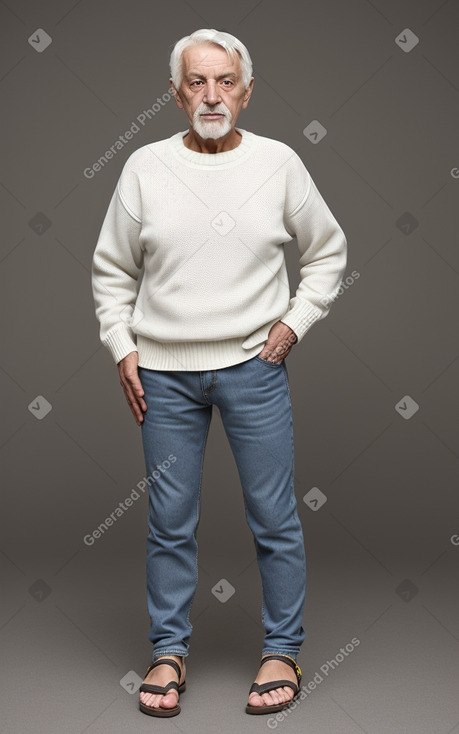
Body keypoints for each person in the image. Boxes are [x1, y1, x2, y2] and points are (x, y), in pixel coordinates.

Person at [91, 28, 347, 717]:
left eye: (225, 80)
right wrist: (122, 346)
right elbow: (112, 269)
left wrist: (294, 322)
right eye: (197, 82)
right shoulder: (144, 167)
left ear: (247, 90)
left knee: (273, 518)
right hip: (164, 377)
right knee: (169, 521)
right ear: (175, 95)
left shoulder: (279, 164)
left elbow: (327, 252)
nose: (212, 95)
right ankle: (168, 652)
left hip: (252, 370)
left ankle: (281, 650)